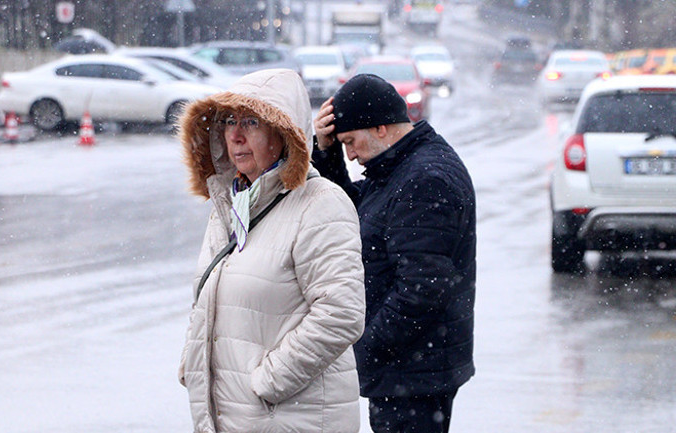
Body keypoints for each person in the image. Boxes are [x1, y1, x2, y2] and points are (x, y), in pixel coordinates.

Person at [177, 68, 366, 433]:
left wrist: (267, 384)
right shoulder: (230, 203)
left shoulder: (320, 203)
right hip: (234, 418)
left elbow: (341, 313)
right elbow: (208, 296)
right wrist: (194, 362)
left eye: (251, 121)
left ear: (284, 134)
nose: (235, 135)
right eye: (229, 121)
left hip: (293, 419)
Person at [312, 73, 476, 433]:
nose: (350, 154)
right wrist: (325, 153)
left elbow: (422, 289)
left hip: (415, 374)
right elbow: (357, 213)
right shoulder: (400, 166)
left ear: (381, 128)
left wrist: (362, 355)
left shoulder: (424, 179)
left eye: (351, 142)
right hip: (410, 369)